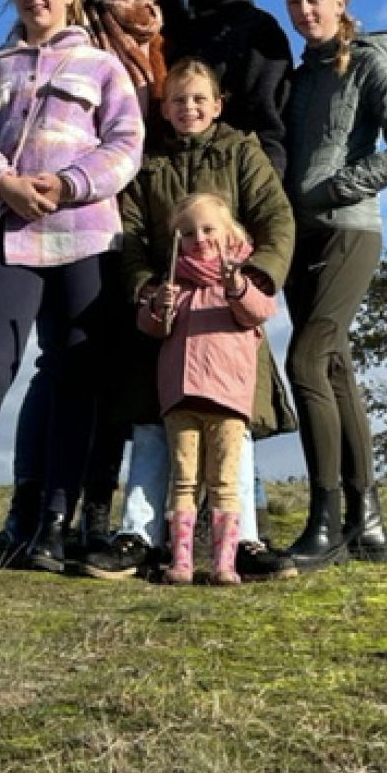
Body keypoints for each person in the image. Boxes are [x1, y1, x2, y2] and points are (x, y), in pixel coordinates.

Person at [0, 0, 180, 565]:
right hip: (7, 233)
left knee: (75, 374)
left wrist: (70, 183)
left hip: (86, 235)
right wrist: (4, 182)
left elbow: (126, 144)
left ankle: (50, 525)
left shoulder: (102, 67)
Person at [81, 57, 297, 582]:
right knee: (152, 424)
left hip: (230, 319)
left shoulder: (242, 152)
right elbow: (129, 236)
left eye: (199, 99)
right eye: (178, 100)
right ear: (163, 107)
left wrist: (255, 280)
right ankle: (138, 534)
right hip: (165, 315)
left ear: (218, 105)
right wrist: (146, 290)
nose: (189, 108)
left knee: (234, 429)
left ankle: (243, 539)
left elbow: (277, 219)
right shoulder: (145, 160)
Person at [280, 0, 387, 572]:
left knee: (306, 360)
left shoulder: (365, 62)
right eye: (294, 3)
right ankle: (365, 523)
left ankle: (324, 520)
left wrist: (338, 187)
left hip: (349, 233)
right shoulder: (295, 77)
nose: (305, 11)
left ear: (340, 0)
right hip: (298, 241)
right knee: (335, 370)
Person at [140, 193, 277, 585]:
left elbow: (259, 313)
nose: (197, 238)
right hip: (181, 398)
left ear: (228, 232)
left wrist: (235, 286)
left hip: (229, 400)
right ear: (176, 242)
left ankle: (223, 563)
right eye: (186, 233)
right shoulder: (173, 285)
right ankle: (181, 562)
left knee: (224, 482)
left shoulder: (243, 279)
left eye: (207, 229)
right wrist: (157, 308)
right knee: (183, 480)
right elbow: (153, 328)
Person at [171, 0, 294, 177]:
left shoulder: (263, 34)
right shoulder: (171, 26)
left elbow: (270, 134)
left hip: (227, 193)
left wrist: (256, 208)